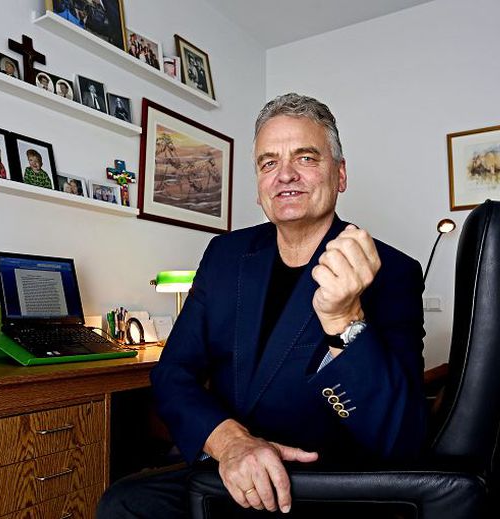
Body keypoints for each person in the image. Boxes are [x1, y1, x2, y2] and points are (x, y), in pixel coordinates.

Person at [97, 93, 426, 518]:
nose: (285, 174)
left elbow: (400, 438)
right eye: (269, 163)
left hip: (323, 484)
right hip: (229, 465)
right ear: (258, 186)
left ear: (340, 174)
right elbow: (173, 373)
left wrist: (345, 320)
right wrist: (230, 442)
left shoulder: (392, 270)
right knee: (122, 502)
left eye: (305, 158)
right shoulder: (224, 255)